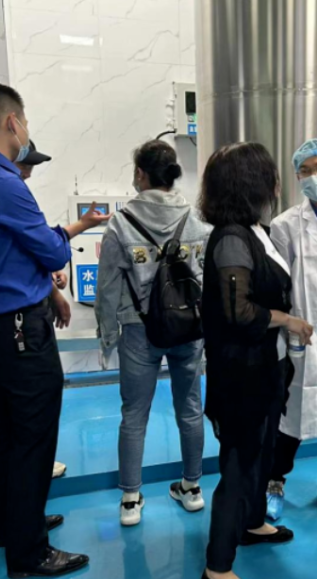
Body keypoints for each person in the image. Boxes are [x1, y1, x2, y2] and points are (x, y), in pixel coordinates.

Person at [0, 83, 111, 579]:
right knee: (33, 435)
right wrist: (63, 247)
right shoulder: (1, 182)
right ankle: (30, 552)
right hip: (20, 328)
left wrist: (49, 284)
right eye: (25, 122)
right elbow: (53, 251)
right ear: (12, 123)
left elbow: (18, 251)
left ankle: (13, 525)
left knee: (5, 429)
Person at [199, 142, 314, 579]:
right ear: (251, 184)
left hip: (267, 368)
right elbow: (238, 312)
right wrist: (288, 320)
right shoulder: (232, 238)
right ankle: (217, 566)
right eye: (271, 176)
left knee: (263, 452)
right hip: (240, 375)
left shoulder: (255, 231)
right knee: (239, 463)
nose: (278, 184)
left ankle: (251, 522)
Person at [95, 140, 211, 525]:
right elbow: (206, 280)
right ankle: (192, 488)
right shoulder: (196, 219)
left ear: (140, 174)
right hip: (188, 328)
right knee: (190, 408)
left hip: (138, 330)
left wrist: (106, 337)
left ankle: (130, 498)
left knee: (134, 414)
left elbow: (107, 287)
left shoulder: (120, 223)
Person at [266, 139, 317, 522]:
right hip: (302, 334)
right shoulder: (285, 225)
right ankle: (274, 481)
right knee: (291, 413)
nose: (315, 176)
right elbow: (278, 285)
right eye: (306, 170)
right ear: (297, 177)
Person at [15, 139, 69, 480]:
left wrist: (52, 285)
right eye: (26, 165)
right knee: (35, 396)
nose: (30, 173)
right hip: (20, 321)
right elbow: (48, 251)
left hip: (24, 314)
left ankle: (33, 467)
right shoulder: (5, 193)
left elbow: (30, 254)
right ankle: (32, 470)